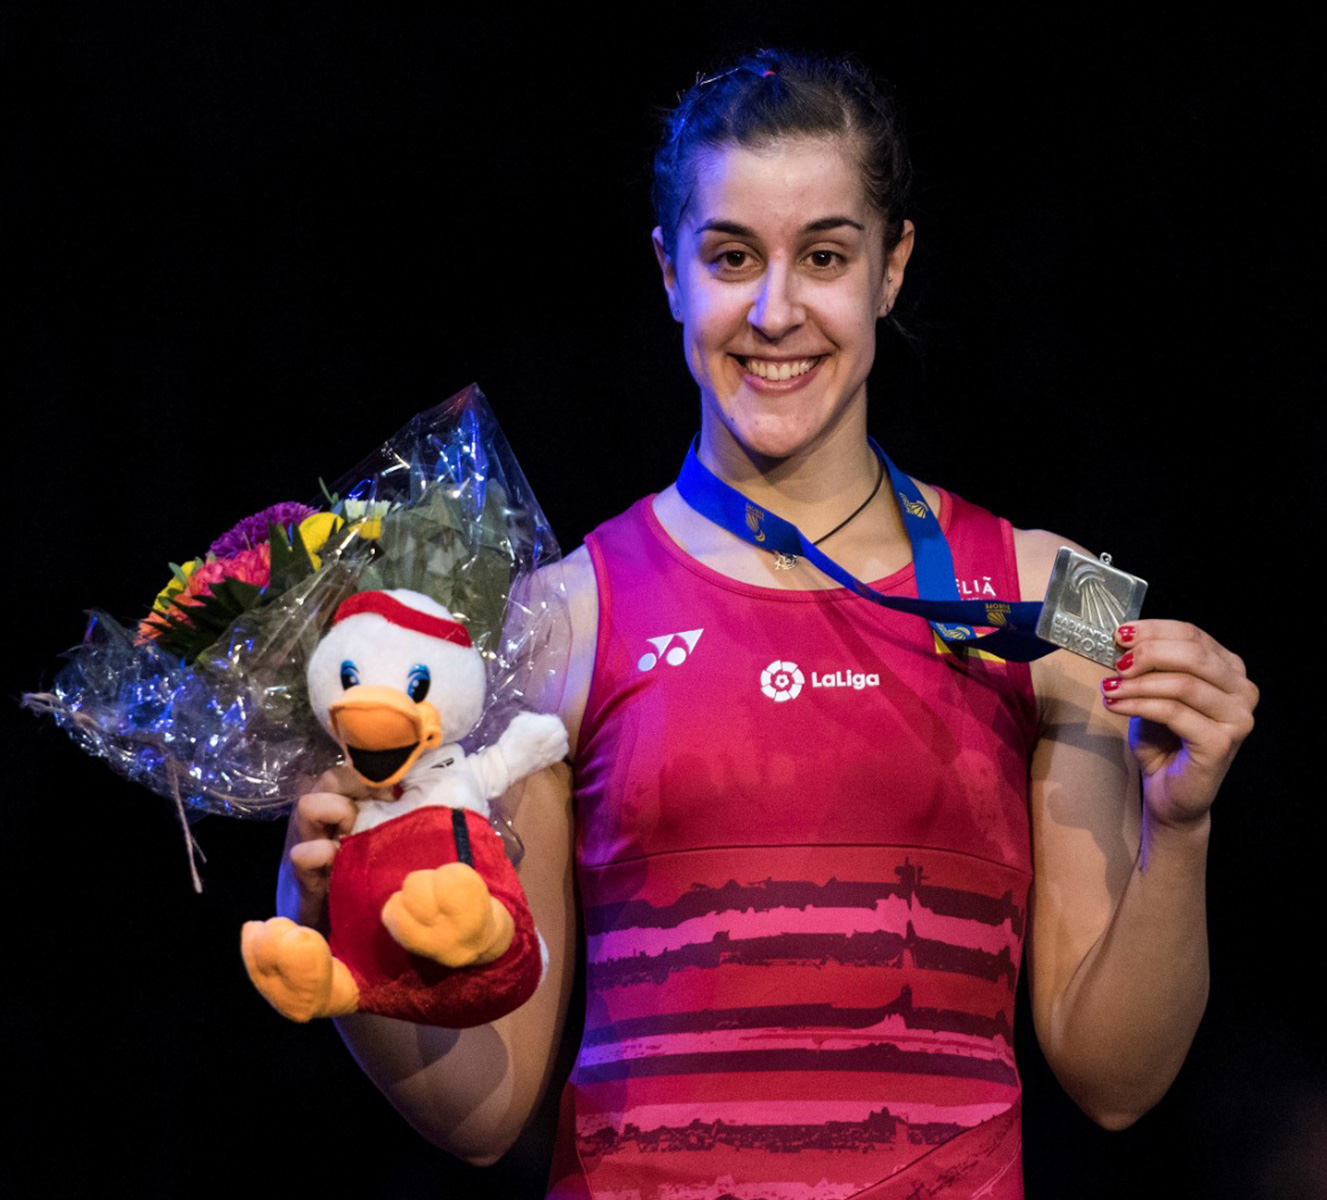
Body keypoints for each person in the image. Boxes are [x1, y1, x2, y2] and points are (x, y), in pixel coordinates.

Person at [279, 50, 1257, 1198]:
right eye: (731, 256)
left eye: (826, 257)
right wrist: (337, 924)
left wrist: (1179, 829)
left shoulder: (1053, 592)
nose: (776, 308)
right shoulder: (561, 613)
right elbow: (489, 1109)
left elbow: (1116, 1081)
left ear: (892, 269)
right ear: (669, 274)